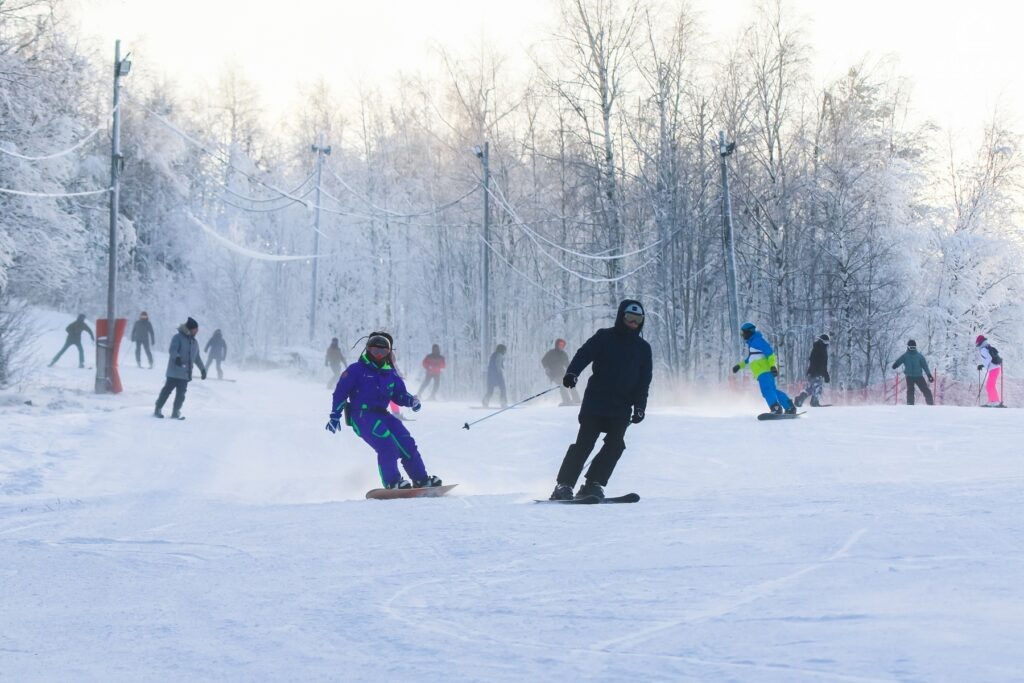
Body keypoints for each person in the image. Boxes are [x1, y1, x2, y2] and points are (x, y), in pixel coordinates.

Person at [550, 300, 652, 501]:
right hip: (596, 402)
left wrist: (640, 406)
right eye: (629, 318)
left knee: (615, 445)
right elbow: (584, 354)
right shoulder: (604, 337)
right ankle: (564, 485)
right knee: (585, 443)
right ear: (621, 317)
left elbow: (644, 381)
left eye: (638, 319)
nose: (633, 323)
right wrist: (572, 373)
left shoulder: (643, 348)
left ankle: (593, 484)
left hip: (622, 406)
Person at [325, 332, 441, 490]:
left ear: (388, 353)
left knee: (407, 443)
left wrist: (410, 401)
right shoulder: (356, 370)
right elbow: (340, 393)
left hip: (383, 414)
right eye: (375, 351)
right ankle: (393, 482)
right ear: (368, 350)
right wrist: (335, 416)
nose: (379, 355)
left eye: (383, 352)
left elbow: (399, 394)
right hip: (362, 416)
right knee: (387, 446)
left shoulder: (390, 373)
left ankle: (421, 480)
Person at [732, 322, 796, 415]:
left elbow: (770, 353)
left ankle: (775, 408)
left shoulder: (757, 340)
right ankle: (789, 407)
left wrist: (773, 366)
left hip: (764, 371)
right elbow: (750, 359)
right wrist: (739, 366)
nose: (742, 335)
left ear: (749, 332)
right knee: (772, 391)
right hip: (763, 372)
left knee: (767, 390)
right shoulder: (752, 343)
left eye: (743, 333)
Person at [154, 317, 207, 419]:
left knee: (181, 395)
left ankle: (176, 412)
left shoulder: (194, 342)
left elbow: (197, 358)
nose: (197, 331)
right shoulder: (177, 337)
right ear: (190, 328)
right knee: (166, 391)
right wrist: (177, 357)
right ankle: (158, 408)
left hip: (185, 374)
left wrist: (202, 369)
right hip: (174, 372)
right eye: (195, 329)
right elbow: (172, 350)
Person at [891, 339, 933, 406]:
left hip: (919, 376)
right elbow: (899, 360)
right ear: (908, 347)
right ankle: (910, 404)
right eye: (911, 347)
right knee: (910, 390)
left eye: (914, 347)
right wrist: (896, 364)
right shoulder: (905, 356)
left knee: (925, 390)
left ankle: (930, 404)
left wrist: (929, 375)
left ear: (915, 347)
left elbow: (925, 366)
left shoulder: (919, 356)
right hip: (909, 376)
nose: (912, 349)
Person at [794, 333, 831, 408]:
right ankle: (814, 401)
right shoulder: (818, 349)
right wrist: (820, 373)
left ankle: (799, 400)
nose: (826, 344)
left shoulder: (821, 349)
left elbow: (823, 364)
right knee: (817, 387)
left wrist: (825, 374)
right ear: (821, 341)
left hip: (814, 372)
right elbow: (817, 363)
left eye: (827, 342)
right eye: (825, 342)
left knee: (810, 388)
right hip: (816, 372)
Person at [542, 338, 580, 405]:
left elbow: (567, 365)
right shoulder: (551, 353)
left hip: (562, 373)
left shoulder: (563, 354)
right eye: (560, 344)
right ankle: (567, 401)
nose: (561, 346)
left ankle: (577, 400)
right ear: (557, 345)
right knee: (562, 385)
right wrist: (547, 368)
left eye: (563, 345)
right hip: (553, 374)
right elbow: (543, 360)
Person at [975, 334, 1003, 407]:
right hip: (995, 368)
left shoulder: (983, 349)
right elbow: (989, 358)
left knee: (990, 385)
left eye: (977, 342)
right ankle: (992, 400)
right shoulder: (987, 347)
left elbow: (989, 358)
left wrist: (984, 365)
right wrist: (983, 365)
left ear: (979, 342)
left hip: (993, 368)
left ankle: (994, 401)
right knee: (990, 385)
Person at [482, 343, 507, 408]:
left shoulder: (494, 355)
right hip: (497, 375)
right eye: (504, 350)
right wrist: (500, 374)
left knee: (490, 391)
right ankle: (503, 403)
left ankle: (485, 401)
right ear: (502, 350)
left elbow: (493, 364)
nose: (505, 352)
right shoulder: (499, 355)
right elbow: (497, 365)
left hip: (490, 376)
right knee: (503, 389)